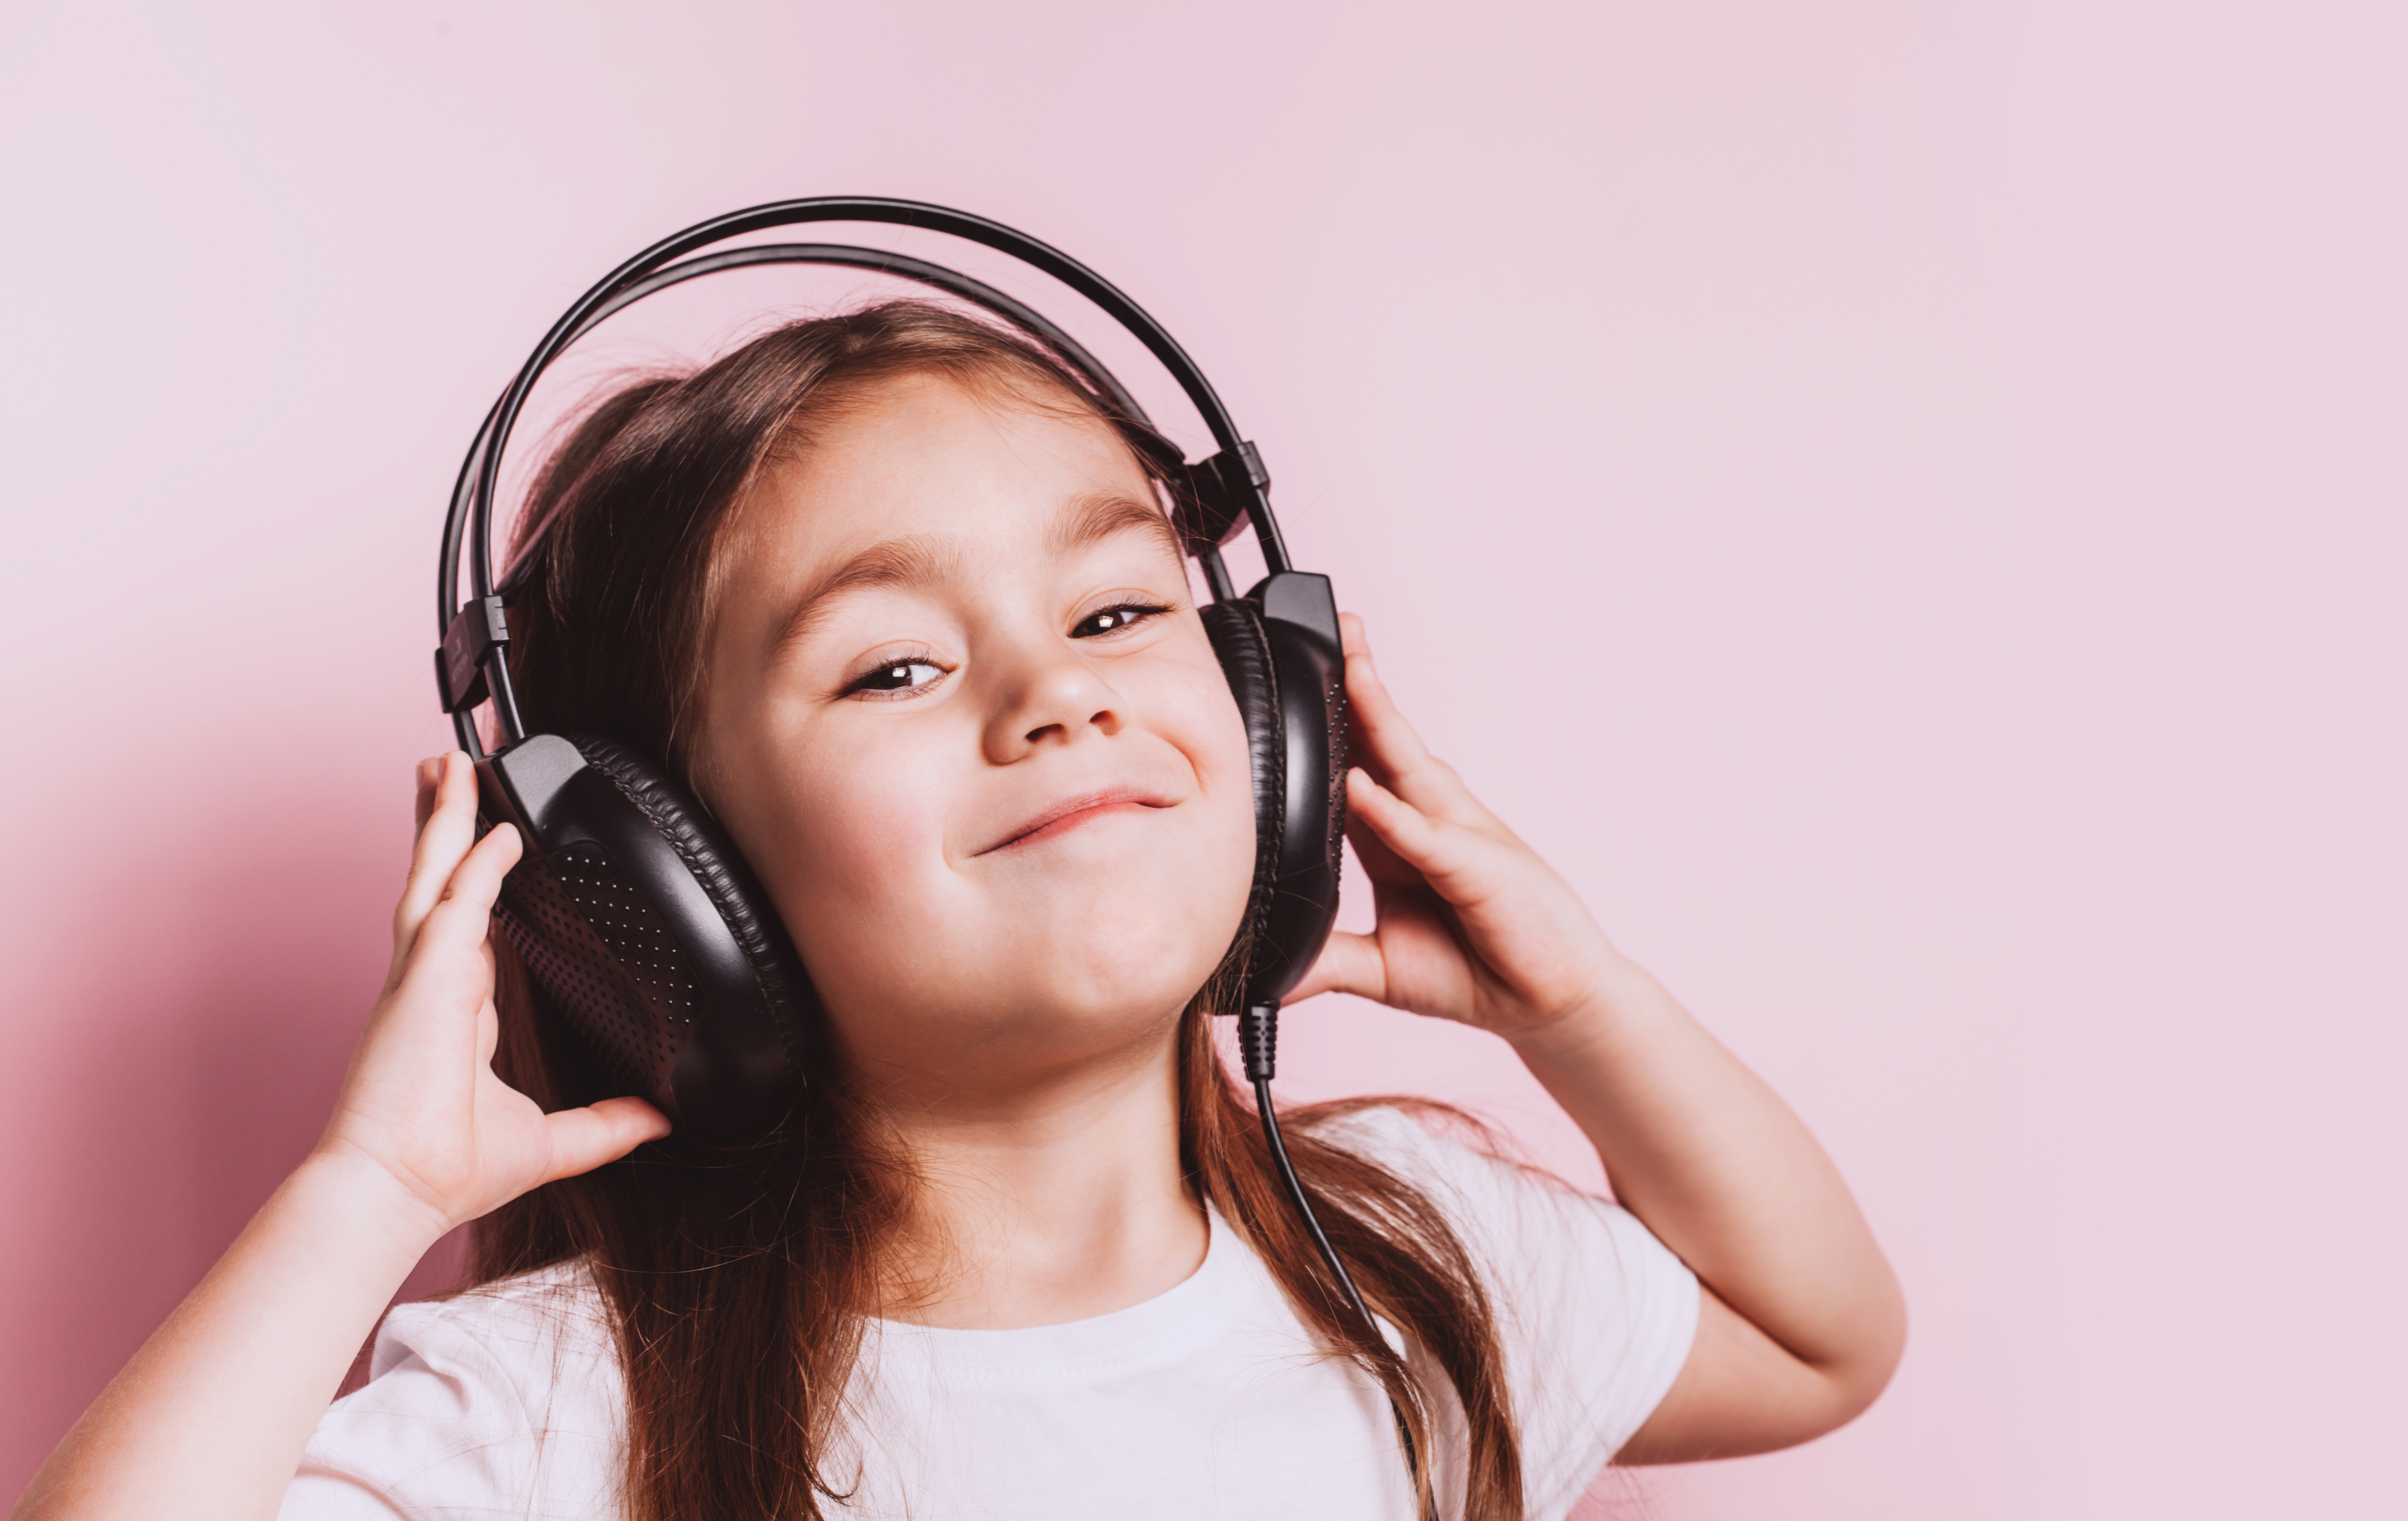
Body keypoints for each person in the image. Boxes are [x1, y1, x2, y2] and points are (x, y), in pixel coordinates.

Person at [13, 302, 1905, 1521]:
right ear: (675, 884)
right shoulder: (570, 1415)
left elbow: (1817, 1340)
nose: (1058, 696)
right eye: (893, 670)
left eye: (1114, 613)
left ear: (1281, 725)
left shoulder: (1410, 1264)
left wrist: (1572, 1002)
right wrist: (372, 1198)